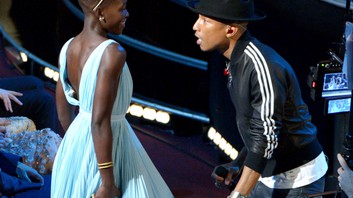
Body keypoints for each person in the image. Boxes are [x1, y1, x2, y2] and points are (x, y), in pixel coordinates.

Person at [188, 0, 328, 197]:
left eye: (205, 20)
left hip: (298, 180)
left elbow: (266, 136)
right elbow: (257, 127)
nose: (196, 26)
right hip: (267, 173)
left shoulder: (263, 67)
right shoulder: (235, 60)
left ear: (230, 30)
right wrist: (238, 164)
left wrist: (238, 194)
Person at [51, 0, 173, 197]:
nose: (127, 14)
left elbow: (63, 111)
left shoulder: (68, 47)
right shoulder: (112, 52)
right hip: (109, 147)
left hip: (75, 145)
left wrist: (78, 143)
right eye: (122, 7)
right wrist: (107, 182)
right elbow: (99, 121)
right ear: (100, 12)